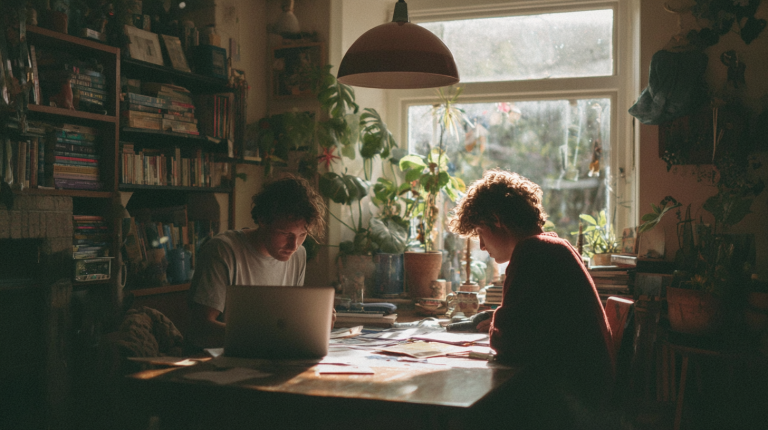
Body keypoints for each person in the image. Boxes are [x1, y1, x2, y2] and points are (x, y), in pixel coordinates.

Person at [448, 169, 615, 429]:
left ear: (497, 219)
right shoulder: (552, 246)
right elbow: (533, 326)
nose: (481, 246)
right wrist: (498, 321)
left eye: (481, 232)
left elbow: (507, 340)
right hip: (587, 396)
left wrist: (496, 326)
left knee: (463, 412)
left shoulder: (531, 252)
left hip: (569, 409)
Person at [187, 174, 329, 349]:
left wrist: (314, 323)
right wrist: (265, 338)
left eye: (302, 235)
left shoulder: (298, 255)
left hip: (271, 357)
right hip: (221, 361)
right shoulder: (223, 250)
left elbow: (284, 323)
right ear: (262, 220)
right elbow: (200, 330)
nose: (294, 245)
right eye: (286, 234)